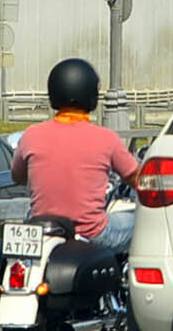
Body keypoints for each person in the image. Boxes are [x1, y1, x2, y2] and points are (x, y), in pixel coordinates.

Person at [10, 56, 141, 253]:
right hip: (92, 234)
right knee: (142, 222)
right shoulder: (106, 138)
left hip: (42, 231)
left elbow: (17, 176)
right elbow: (137, 179)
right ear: (92, 95)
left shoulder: (31, 135)